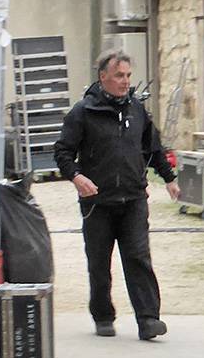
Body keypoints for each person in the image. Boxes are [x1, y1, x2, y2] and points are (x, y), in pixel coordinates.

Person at [52, 51, 179, 340]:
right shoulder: (83, 112)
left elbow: (153, 147)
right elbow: (62, 151)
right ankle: (103, 315)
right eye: (119, 75)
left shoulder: (136, 110)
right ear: (103, 77)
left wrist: (169, 179)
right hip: (98, 202)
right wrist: (76, 176)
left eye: (128, 75)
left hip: (133, 198)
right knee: (99, 263)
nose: (125, 81)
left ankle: (148, 320)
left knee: (138, 257)